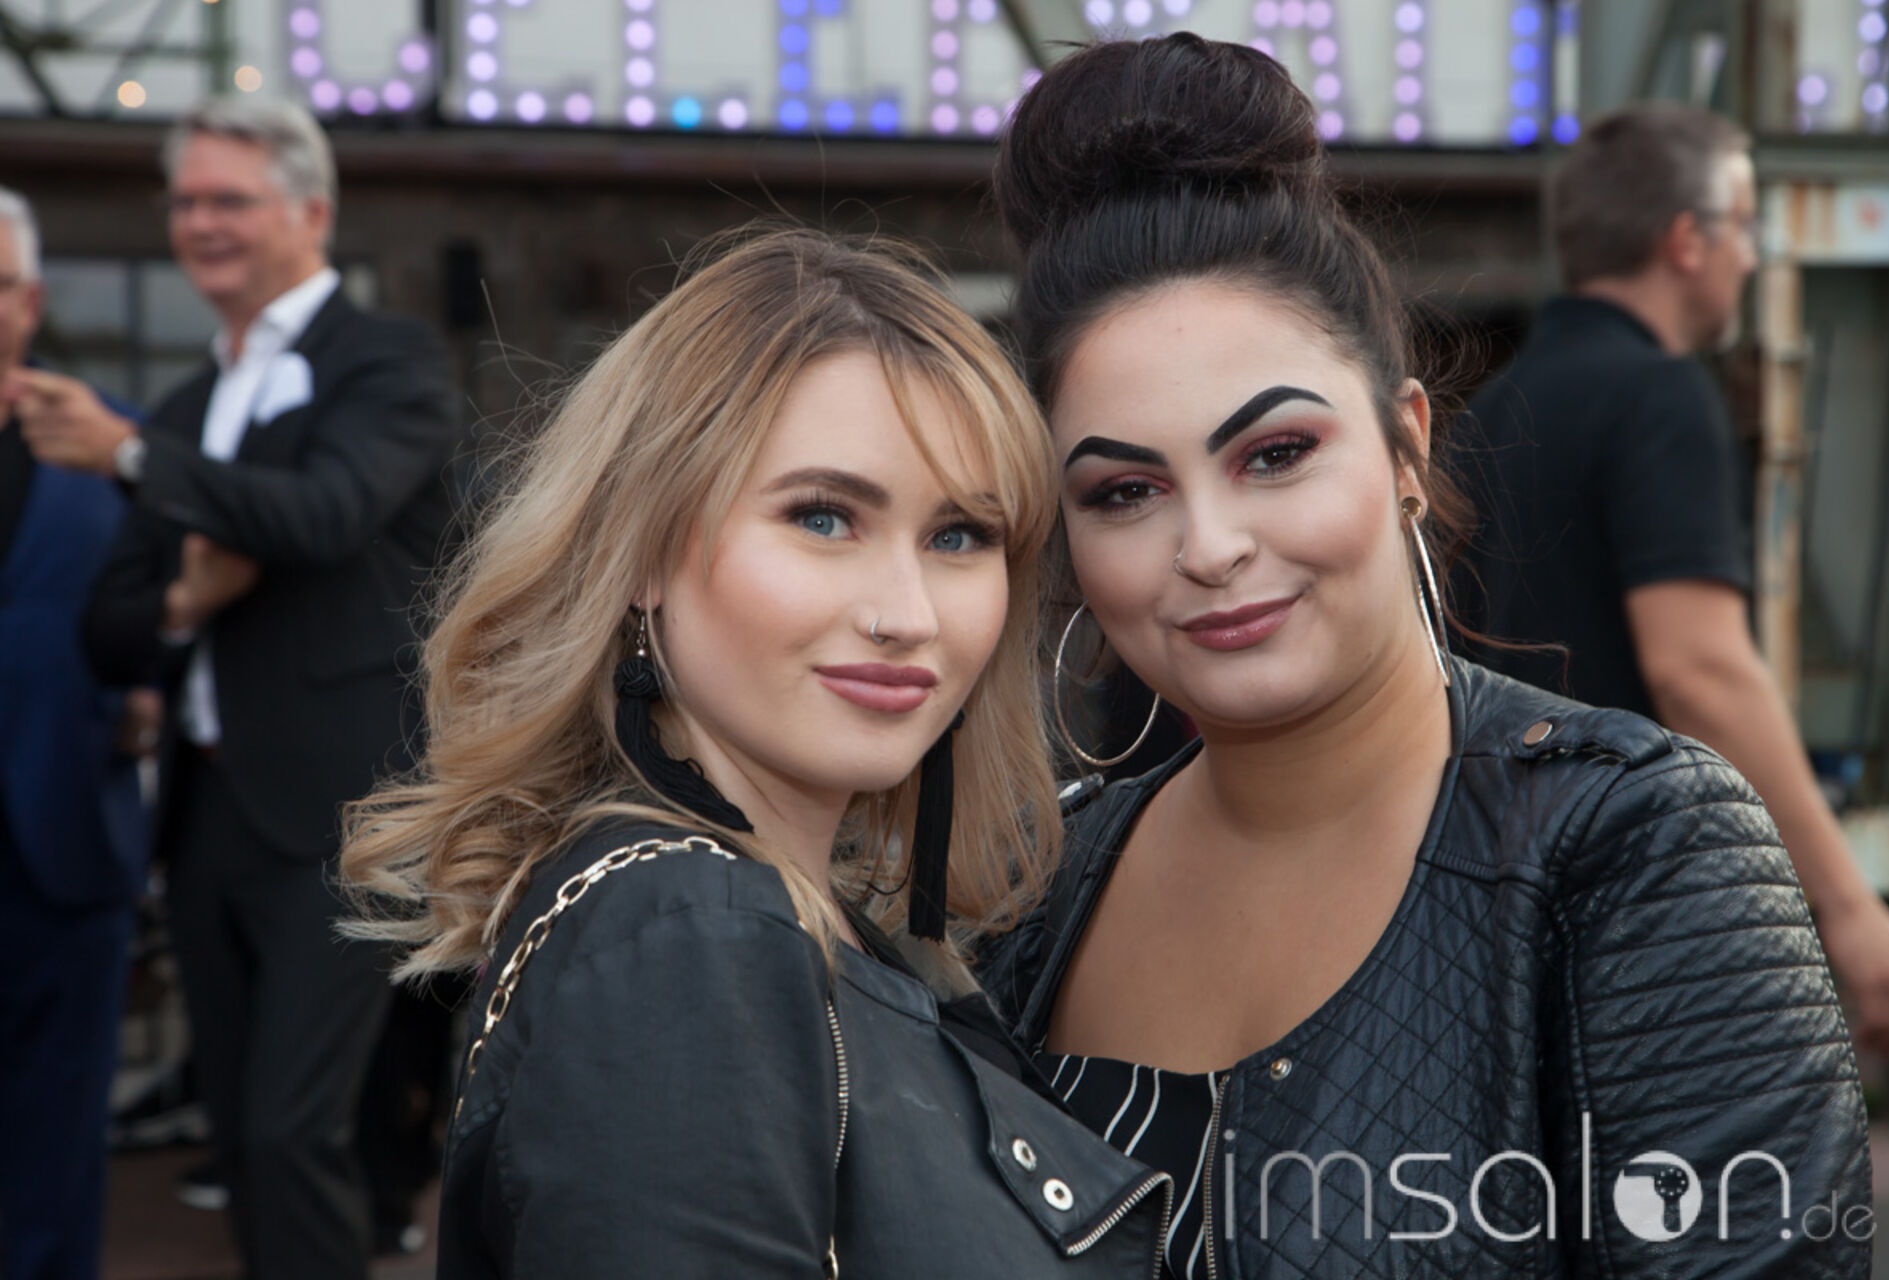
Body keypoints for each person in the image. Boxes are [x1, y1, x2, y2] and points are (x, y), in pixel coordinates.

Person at [978, 36, 1870, 1278]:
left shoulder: (1636, 850)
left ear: (1406, 447)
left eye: (1275, 454)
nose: (1211, 546)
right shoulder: (1033, 900)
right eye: (1125, 490)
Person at [338, 226, 1171, 1277]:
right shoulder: (695, 934)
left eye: (959, 535)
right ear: (642, 549)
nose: (908, 614)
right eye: (823, 517)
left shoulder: (769, 915)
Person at [9, 96, 458, 1280]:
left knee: (290, 1127)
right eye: (185, 201)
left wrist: (129, 456)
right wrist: (184, 600)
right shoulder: (187, 405)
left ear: (311, 212)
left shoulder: (387, 361)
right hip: (206, 817)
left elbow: (328, 513)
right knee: (244, 1141)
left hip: (343, 815)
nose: (200, 223)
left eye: (229, 199)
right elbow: (110, 628)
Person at [1456, 103, 1889, 1058]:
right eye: (1744, 225)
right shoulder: (1661, 397)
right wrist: (1847, 906)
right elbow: (1699, 671)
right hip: (1635, 913)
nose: (1751, 256)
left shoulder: (1490, 413)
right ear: (1686, 241)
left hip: (1495, 904)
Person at [0, 187, 151, 1280]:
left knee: (55, 1151)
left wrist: (153, 687)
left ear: (32, 301)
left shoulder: (113, 443)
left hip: (63, 838)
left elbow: (173, 601)